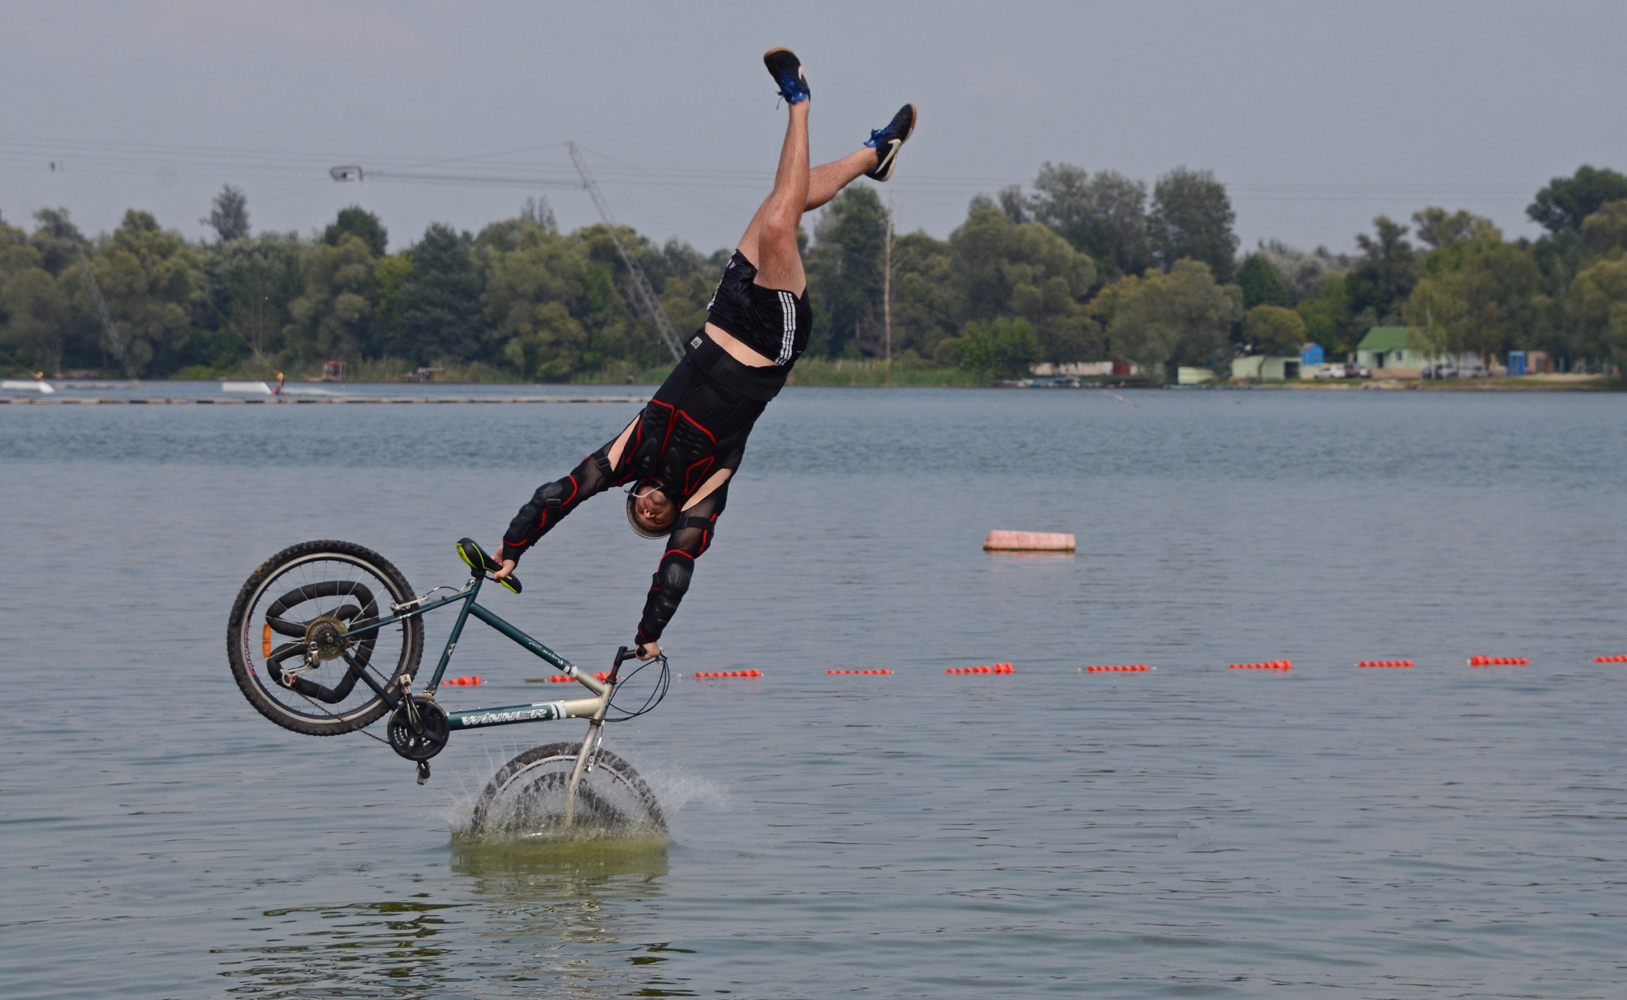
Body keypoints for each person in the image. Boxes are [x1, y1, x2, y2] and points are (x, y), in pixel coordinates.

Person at [493, 48, 916, 661]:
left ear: (636, 496)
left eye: (645, 510)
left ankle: (872, 157)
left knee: (780, 203)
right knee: (777, 223)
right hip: (771, 342)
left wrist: (511, 549)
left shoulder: (629, 453)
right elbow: (677, 571)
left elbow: (562, 492)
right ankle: (799, 102)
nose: (654, 509)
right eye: (658, 520)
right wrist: (647, 637)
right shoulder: (703, 492)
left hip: (722, 316)